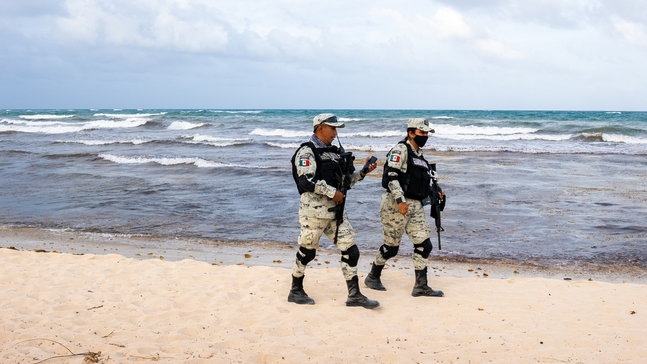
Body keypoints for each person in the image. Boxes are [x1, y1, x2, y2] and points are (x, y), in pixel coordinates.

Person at [288, 113, 380, 309]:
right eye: (333, 128)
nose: (335, 133)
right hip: (314, 212)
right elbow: (306, 181)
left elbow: (345, 183)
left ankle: (354, 295)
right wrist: (332, 193)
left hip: (336, 213)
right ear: (320, 127)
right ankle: (295, 290)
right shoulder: (307, 152)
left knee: (351, 250)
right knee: (307, 252)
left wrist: (363, 172)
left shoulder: (336, 153)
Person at [364, 118, 445, 297]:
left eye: (426, 133)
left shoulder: (419, 155)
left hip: (415, 206)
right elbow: (391, 176)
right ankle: (372, 277)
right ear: (411, 133)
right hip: (396, 204)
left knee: (424, 245)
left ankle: (421, 286)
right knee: (391, 247)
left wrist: (436, 190)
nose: (424, 136)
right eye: (421, 133)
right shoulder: (400, 150)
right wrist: (400, 201)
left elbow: (421, 179)